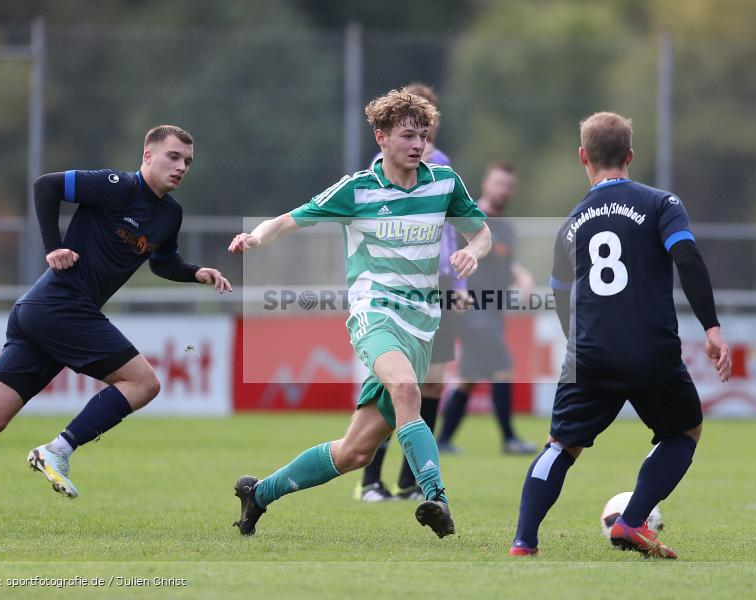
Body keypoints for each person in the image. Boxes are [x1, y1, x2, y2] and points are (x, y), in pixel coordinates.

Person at [229, 89, 491, 538]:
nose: (417, 144)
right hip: (375, 315)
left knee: (355, 453)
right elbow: (291, 219)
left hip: (422, 324)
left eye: (422, 135)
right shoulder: (357, 189)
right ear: (382, 136)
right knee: (408, 389)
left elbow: (481, 232)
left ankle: (260, 494)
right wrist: (256, 238)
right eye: (407, 135)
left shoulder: (444, 183)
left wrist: (474, 250)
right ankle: (436, 498)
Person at [0, 125, 232, 498]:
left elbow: (162, 263)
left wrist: (195, 273)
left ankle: (56, 450)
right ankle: (58, 450)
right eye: (173, 156)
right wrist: (53, 247)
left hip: (43, 314)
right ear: (148, 156)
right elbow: (46, 186)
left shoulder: (170, 215)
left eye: (187, 161)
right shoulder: (117, 185)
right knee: (144, 383)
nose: (182, 166)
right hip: (60, 305)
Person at [508, 112, 732, 559]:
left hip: (591, 354)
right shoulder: (661, 204)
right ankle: (632, 522)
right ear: (630, 155)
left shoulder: (571, 222)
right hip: (652, 350)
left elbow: (558, 291)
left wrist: (577, 344)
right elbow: (687, 260)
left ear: (582, 158)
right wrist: (711, 328)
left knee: (561, 446)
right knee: (685, 430)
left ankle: (523, 541)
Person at [357, 82, 470, 502]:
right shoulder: (383, 165)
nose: (426, 130)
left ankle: (409, 482)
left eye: (430, 121)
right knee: (395, 385)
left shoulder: (442, 167)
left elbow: (456, 230)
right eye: (417, 124)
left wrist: (459, 283)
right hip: (397, 284)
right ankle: (370, 480)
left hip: (437, 284)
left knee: (435, 383)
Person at [436, 161, 538, 455]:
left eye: (508, 185)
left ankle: (442, 441)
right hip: (469, 309)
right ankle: (509, 439)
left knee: (468, 378)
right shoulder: (468, 220)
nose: (503, 190)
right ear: (485, 183)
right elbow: (448, 258)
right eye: (498, 183)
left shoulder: (505, 227)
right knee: (503, 367)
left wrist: (521, 275)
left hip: (493, 311)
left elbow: (502, 264)